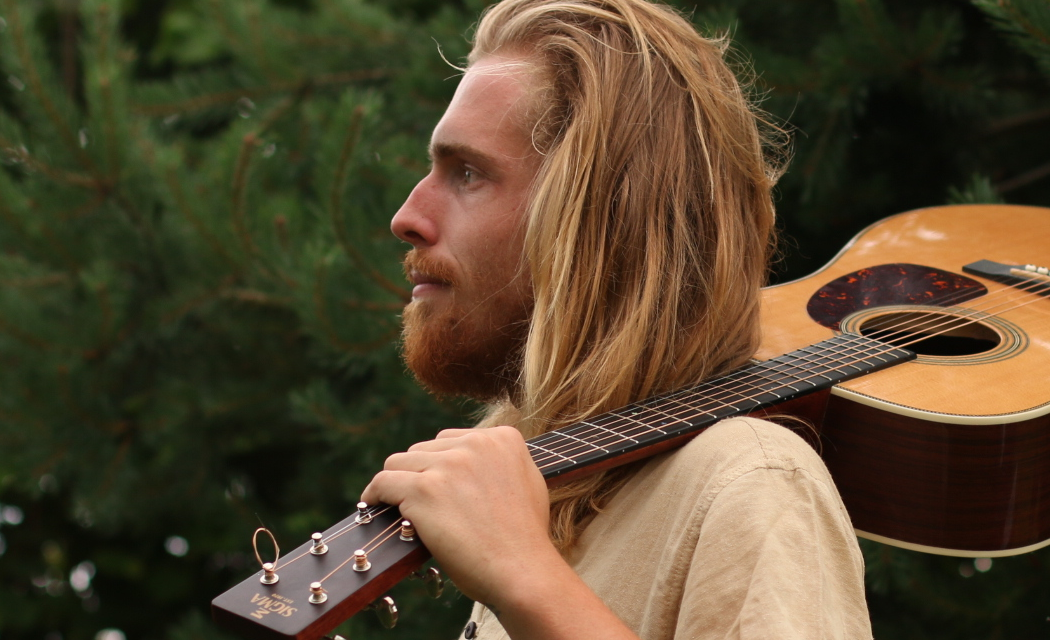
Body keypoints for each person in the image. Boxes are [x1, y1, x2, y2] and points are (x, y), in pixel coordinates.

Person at [357, 1, 873, 638]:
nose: (407, 216)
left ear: (602, 225)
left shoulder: (750, 479)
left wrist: (524, 577)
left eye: (467, 172)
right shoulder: (534, 497)